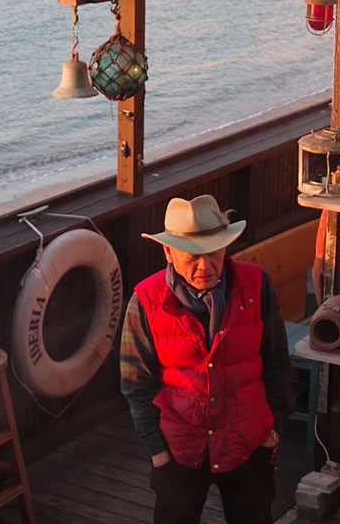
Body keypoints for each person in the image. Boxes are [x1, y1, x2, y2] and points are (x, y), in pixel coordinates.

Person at [120, 195, 291, 524]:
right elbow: (134, 383)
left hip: (249, 443)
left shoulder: (258, 284)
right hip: (180, 449)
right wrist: (157, 451)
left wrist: (274, 430)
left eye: (213, 253)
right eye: (192, 257)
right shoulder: (145, 300)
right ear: (168, 252)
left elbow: (278, 362)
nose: (205, 266)